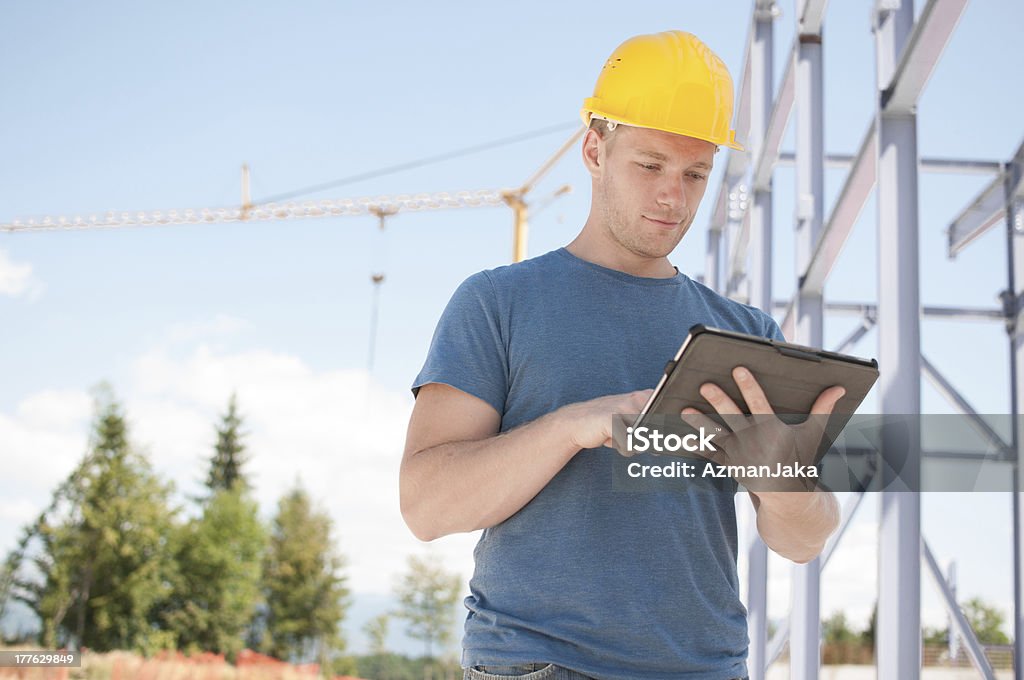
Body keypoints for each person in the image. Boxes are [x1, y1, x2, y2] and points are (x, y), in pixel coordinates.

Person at [400, 30, 842, 680]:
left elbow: (803, 539)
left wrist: (782, 478)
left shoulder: (746, 335)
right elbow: (425, 508)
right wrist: (570, 428)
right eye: (651, 165)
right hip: (544, 666)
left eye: (696, 174)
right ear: (594, 149)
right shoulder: (497, 303)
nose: (675, 195)